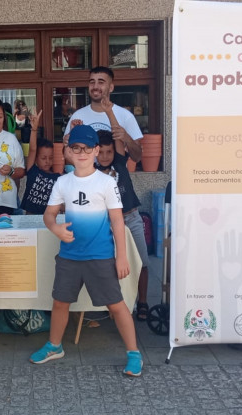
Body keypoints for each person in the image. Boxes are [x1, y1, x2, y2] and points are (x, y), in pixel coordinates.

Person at [29, 125, 143, 377]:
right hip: (69, 256)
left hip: (101, 256)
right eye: (76, 148)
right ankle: (54, 346)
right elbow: (49, 216)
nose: (81, 153)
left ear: (96, 151)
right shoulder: (62, 182)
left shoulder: (106, 182)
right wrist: (56, 229)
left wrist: (121, 256)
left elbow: (117, 221)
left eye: (87, 148)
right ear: (68, 151)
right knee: (60, 303)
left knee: (116, 305)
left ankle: (134, 352)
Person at [95, 129, 151, 321]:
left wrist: (109, 111)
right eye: (100, 152)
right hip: (108, 223)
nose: (104, 156)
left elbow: (118, 139)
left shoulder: (119, 162)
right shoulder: (91, 171)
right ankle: (113, 303)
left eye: (108, 152)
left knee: (142, 262)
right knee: (111, 266)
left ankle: (142, 301)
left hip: (131, 218)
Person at [62, 66, 144, 164]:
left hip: (115, 177)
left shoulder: (126, 116)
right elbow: (68, 160)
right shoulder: (77, 116)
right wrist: (69, 142)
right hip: (85, 177)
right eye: (92, 82)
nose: (95, 86)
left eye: (101, 82)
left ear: (111, 87)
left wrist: (127, 138)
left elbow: (137, 157)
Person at [19, 109, 60, 215]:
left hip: (48, 218)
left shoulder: (57, 177)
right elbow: (32, 149)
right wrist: (34, 129)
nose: (47, 161)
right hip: (30, 216)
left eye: (51, 158)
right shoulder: (33, 170)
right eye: (43, 158)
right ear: (36, 159)